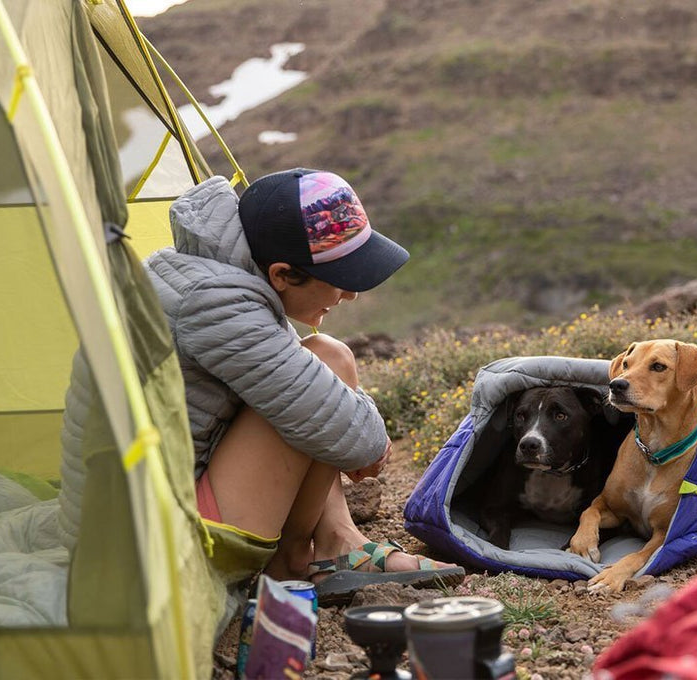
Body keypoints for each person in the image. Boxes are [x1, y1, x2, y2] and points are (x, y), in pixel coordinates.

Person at [143, 168, 463, 602]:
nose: (349, 295)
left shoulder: (222, 281)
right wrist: (369, 443)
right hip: (167, 532)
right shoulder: (213, 301)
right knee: (326, 368)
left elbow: (312, 400)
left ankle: (337, 543)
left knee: (323, 366)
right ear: (281, 274)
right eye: (341, 278)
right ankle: (297, 560)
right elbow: (359, 442)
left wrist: (353, 433)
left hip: (175, 493)